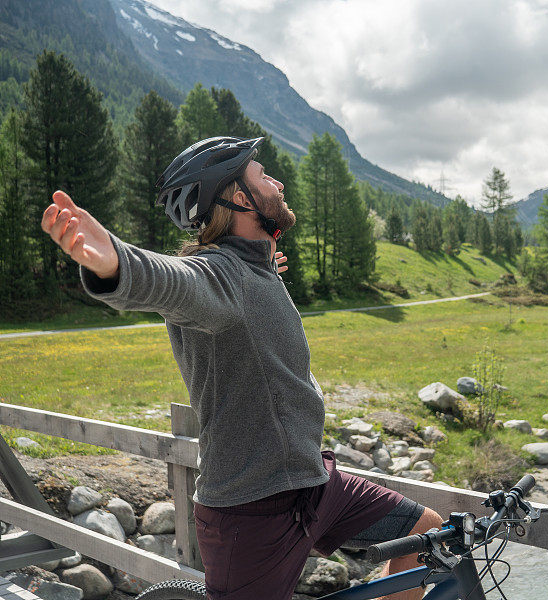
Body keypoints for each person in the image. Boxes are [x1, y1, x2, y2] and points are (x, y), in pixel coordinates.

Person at [41, 136, 442, 600]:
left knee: (425, 534)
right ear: (237, 197)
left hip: (313, 483)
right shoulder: (220, 275)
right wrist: (114, 264)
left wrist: (267, 264)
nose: (278, 182)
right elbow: (174, 282)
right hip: (252, 512)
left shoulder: (253, 269)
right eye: (262, 175)